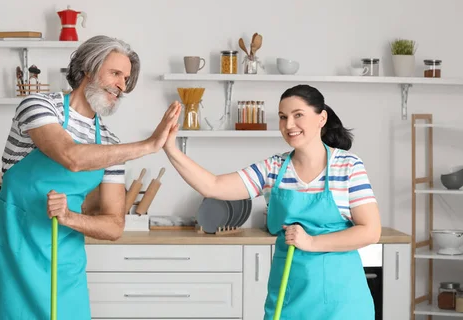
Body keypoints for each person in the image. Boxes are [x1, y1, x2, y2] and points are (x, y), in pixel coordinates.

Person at [0, 35, 181, 320]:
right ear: (88, 69)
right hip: (15, 246)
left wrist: (70, 218)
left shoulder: (110, 142)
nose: (122, 85)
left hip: (65, 255)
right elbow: (70, 156)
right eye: (115, 73)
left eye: (126, 78)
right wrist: (147, 145)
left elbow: (113, 226)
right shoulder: (38, 106)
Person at [162, 84, 381, 320]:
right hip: (290, 295)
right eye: (283, 117)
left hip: (342, 303)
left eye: (298, 115)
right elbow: (213, 185)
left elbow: (370, 231)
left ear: (321, 118)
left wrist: (311, 242)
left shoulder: (348, 166)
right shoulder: (274, 169)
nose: (288, 125)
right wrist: (170, 149)